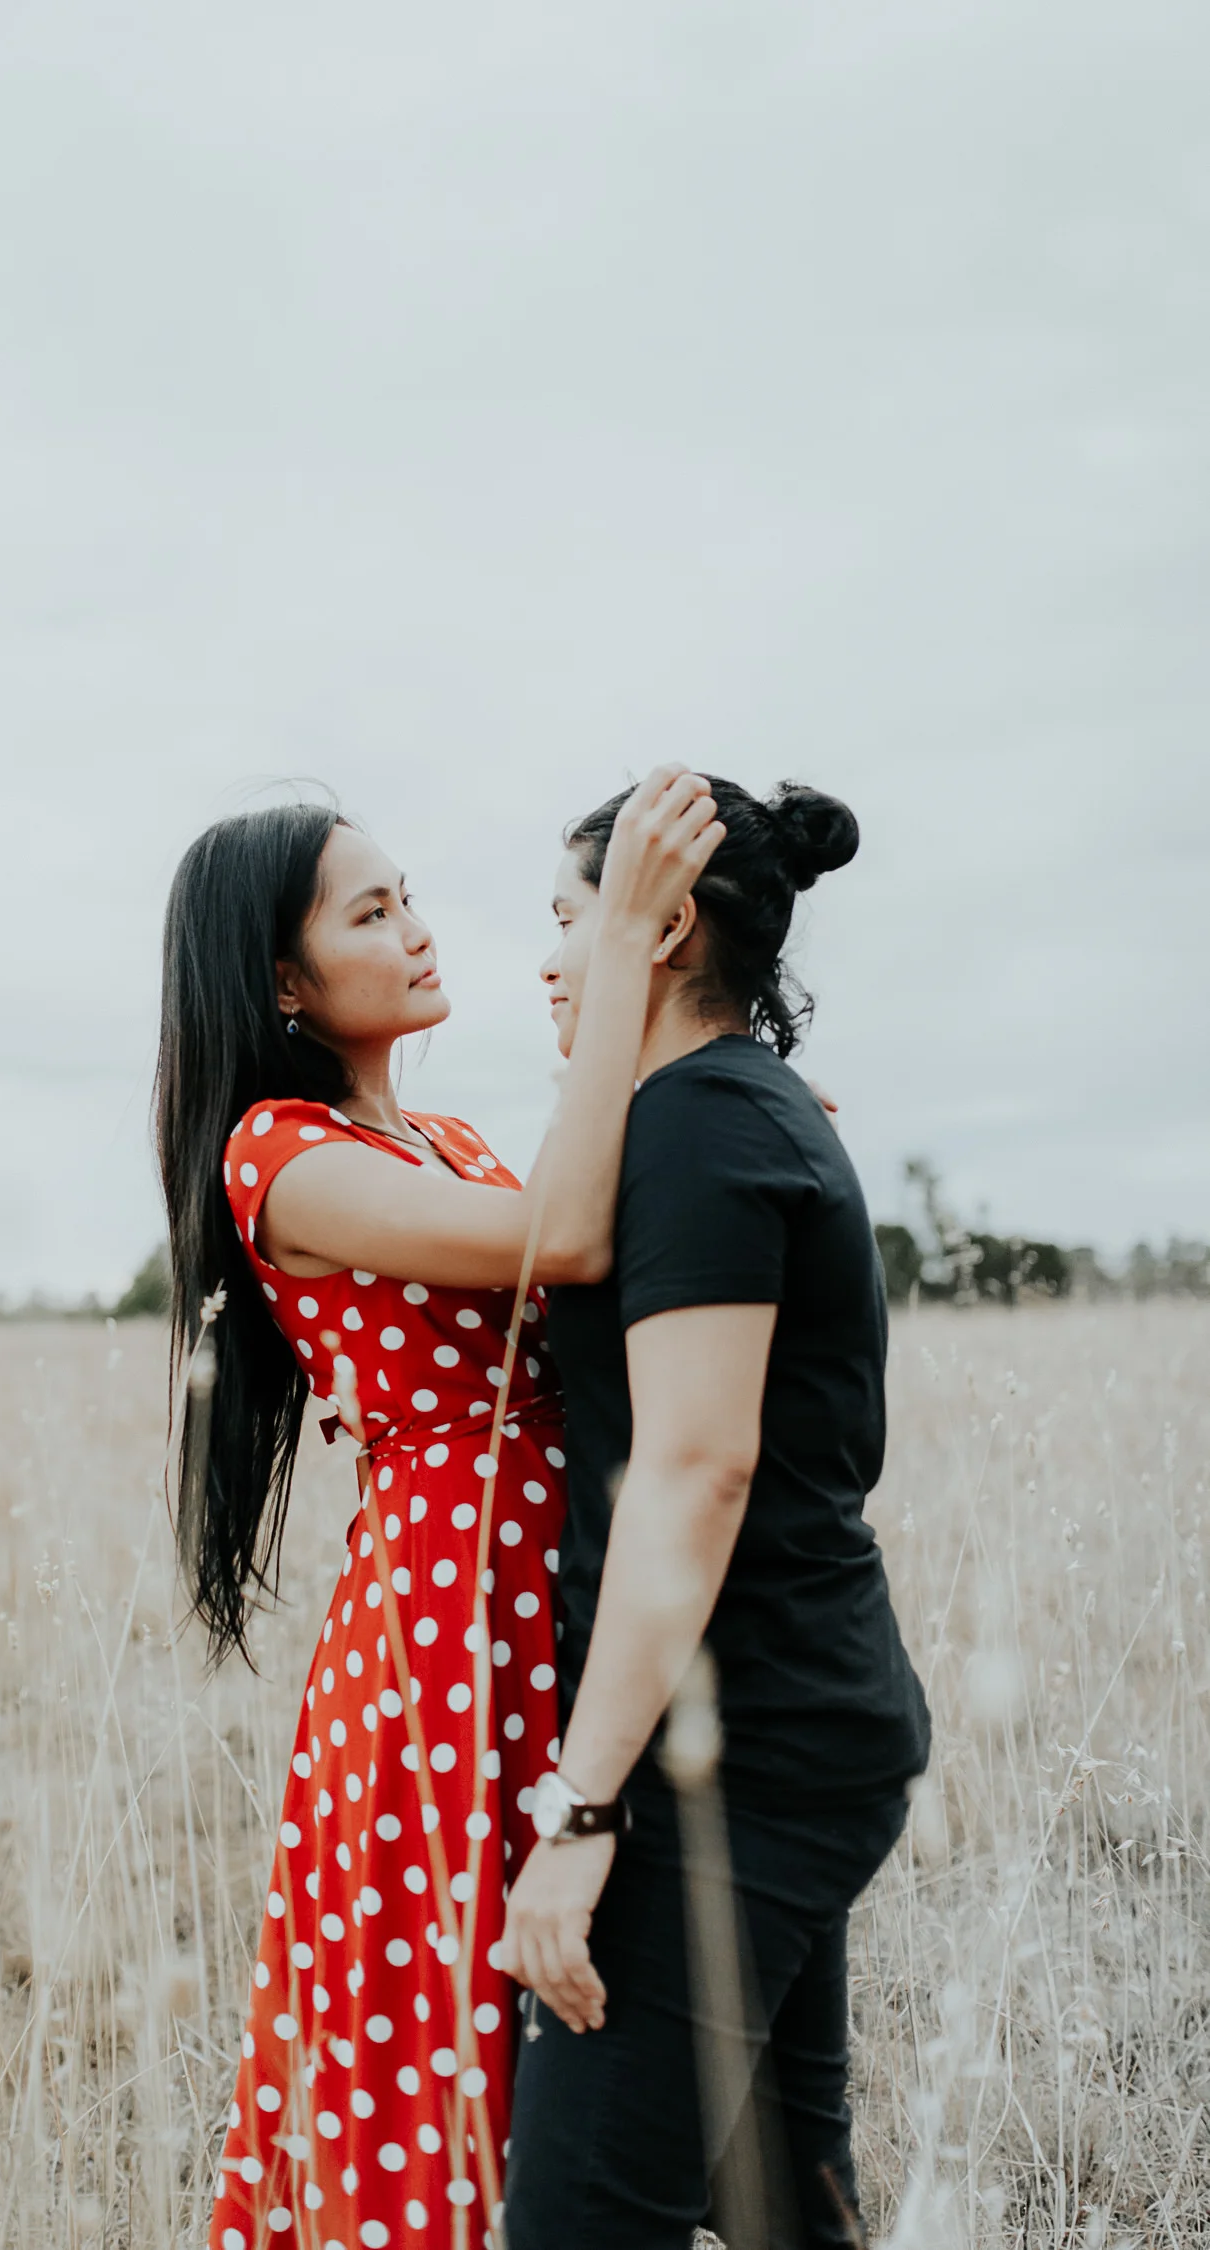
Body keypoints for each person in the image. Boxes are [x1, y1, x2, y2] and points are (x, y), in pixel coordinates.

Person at [154, 771, 724, 2250]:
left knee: (580, 2025)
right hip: (446, 1635)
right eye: (370, 909)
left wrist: (728, 1130)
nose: (416, 928)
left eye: (409, 895)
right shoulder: (281, 1156)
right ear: (284, 978)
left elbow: (601, 1257)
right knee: (450, 2030)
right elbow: (571, 1231)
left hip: (560, 1599)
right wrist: (630, 951)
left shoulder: (457, 1141)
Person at [497, 777, 932, 2250]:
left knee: (580, 2223)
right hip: (801, 1719)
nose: (553, 961)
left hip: (733, 1768)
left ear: (660, 927)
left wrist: (580, 1810)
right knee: (784, 2200)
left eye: (573, 919)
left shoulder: (697, 1124)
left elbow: (696, 1470)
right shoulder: (718, 1112)